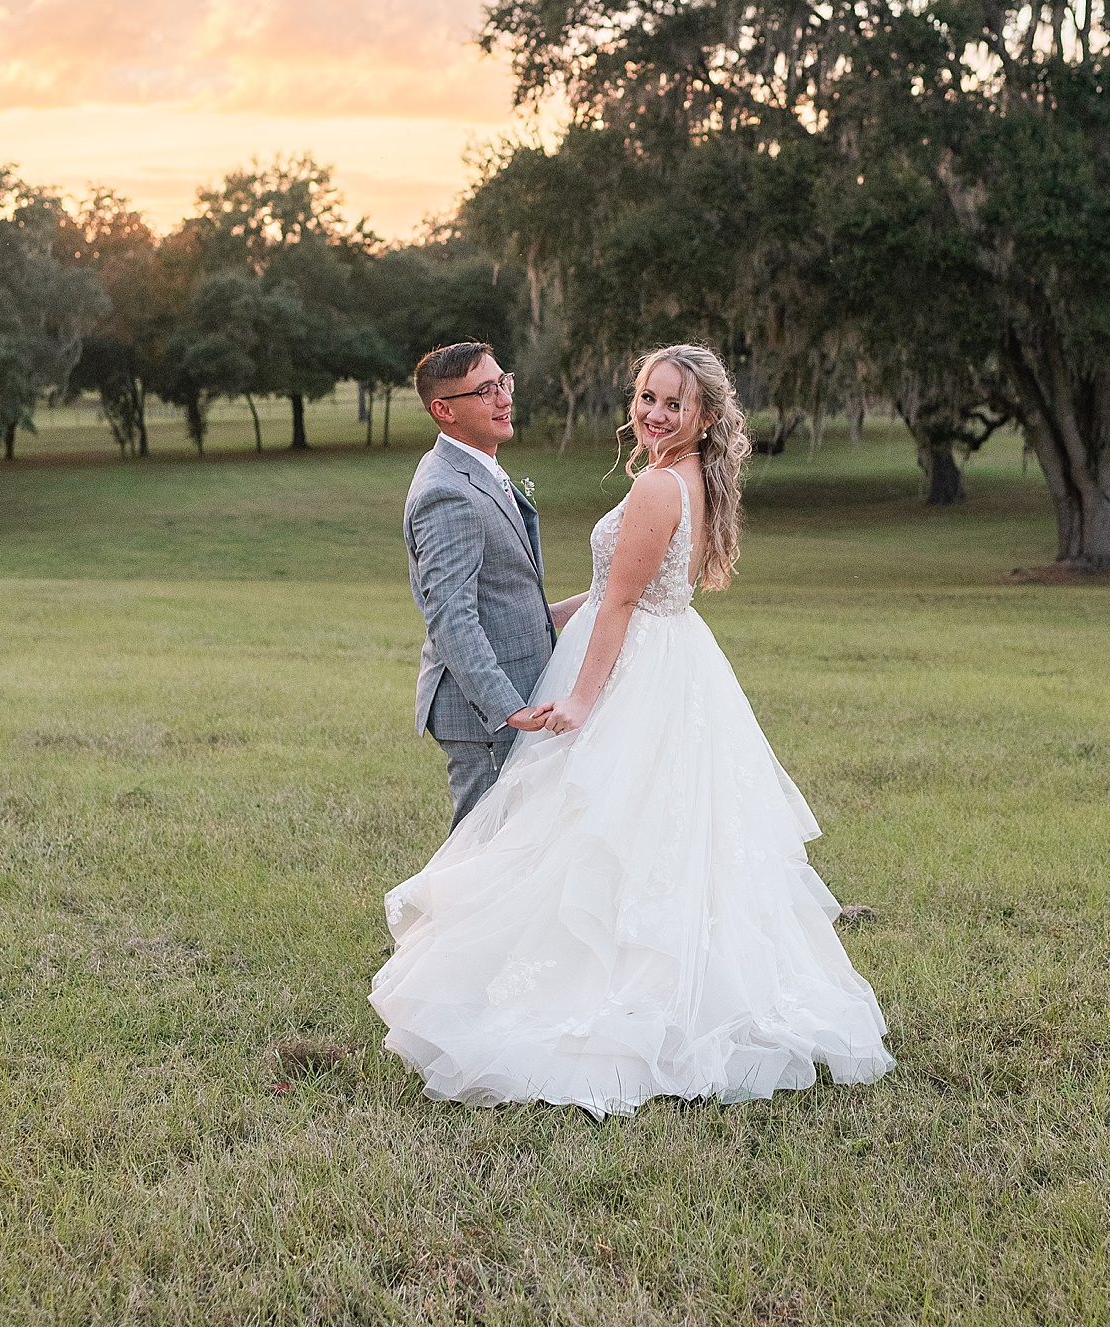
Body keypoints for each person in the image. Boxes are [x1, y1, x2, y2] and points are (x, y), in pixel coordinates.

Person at [373, 343, 895, 1117]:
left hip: (630, 673)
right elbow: (604, 595)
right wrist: (541, 624)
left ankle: (535, 992)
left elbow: (619, 602)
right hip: (661, 661)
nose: (652, 412)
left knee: (574, 835)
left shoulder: (657, 486)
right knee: (632, 840)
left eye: (672, 403)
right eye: (647, 396)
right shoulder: (685, 479)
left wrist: (580, 701)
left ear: (705, 417)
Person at [401, 342, 588, 832]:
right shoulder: (447, 491)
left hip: (519, 685)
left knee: (513, 851)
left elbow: (500, 600)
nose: (504, 398)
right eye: (484, 391)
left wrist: (595, 600)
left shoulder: (481, 469)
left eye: (503, 381)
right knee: (481, 848)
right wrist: (509, 710)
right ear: (444, 411)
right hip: (482, 712)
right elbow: (451, 617)